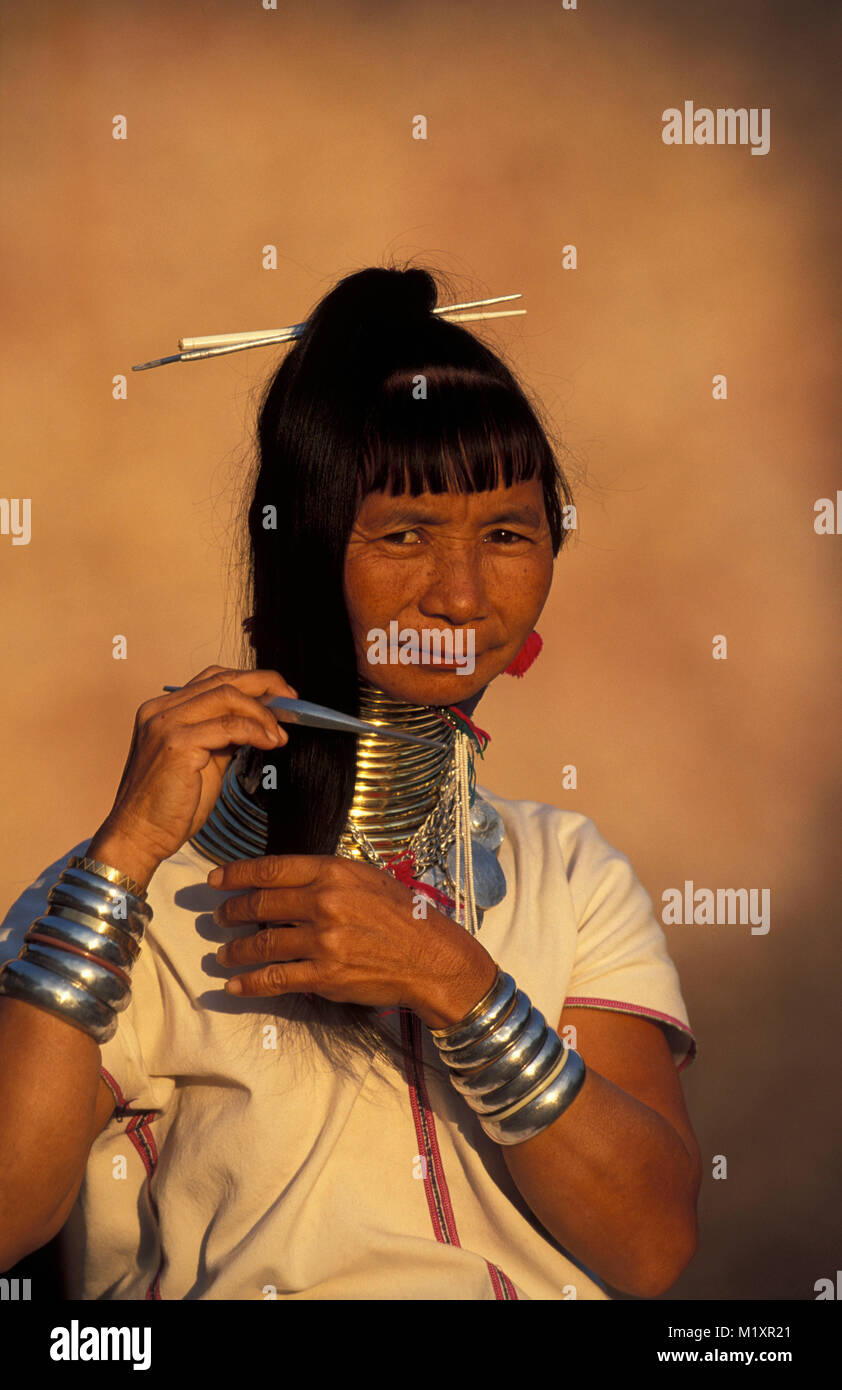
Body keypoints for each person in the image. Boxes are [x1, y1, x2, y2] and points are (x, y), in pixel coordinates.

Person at [0, 265, 700, 1301]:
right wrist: (118, 866)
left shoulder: (569, 873)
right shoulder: (145, 888)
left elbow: (651, 1248)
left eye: (506, 532)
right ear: (303, 552)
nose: (460, 594)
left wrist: (456, 983)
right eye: (403, 534)